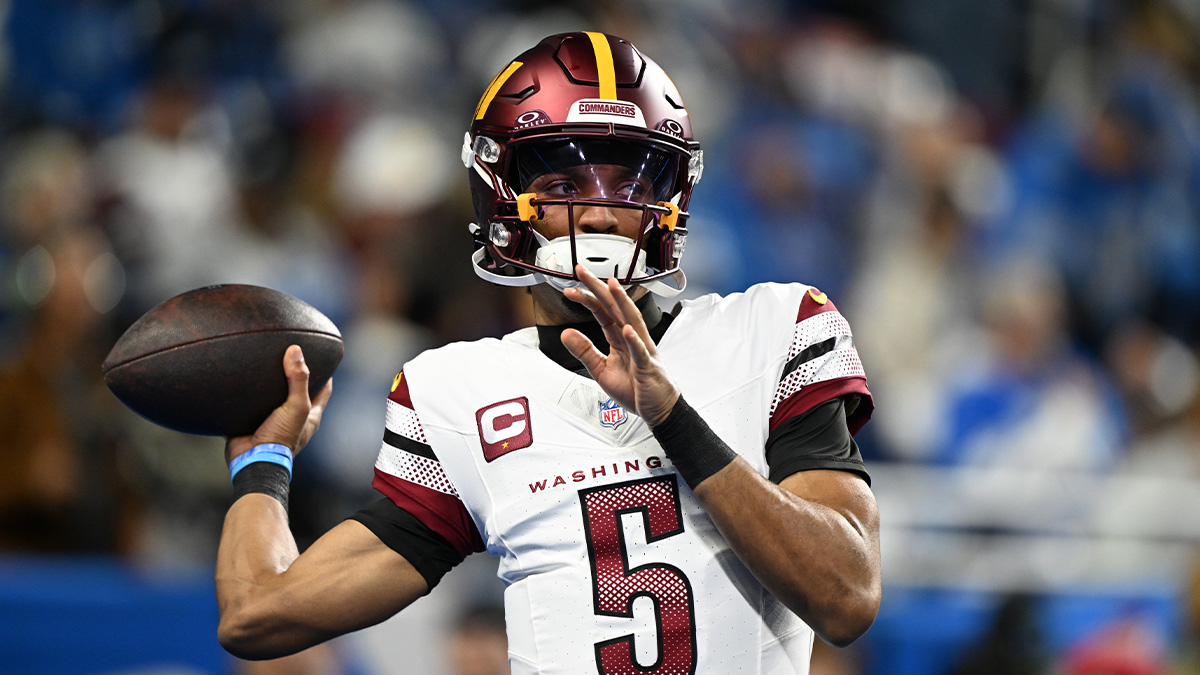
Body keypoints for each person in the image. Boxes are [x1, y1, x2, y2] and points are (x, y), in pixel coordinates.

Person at [214, 32, 881, 674]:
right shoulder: (459, 391)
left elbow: (847, 595)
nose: (596, 215)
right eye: (564, 186)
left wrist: (673, 417)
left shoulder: (774, 328)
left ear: (667, 201)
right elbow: (257, 614)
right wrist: (262, 463)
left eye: (628, 185)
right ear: (503, 197)